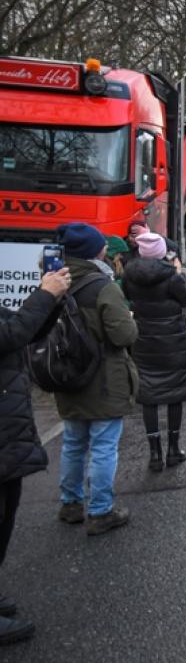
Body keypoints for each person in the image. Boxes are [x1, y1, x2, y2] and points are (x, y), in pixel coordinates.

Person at [52, 223, 138, 537]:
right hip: (104, 378)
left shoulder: (52, 282)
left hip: (67, 376)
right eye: (101, 244)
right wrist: (130, 321)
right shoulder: (102, 286)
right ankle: (101, 511)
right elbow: (123, 334)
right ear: (93, 251)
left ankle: (70, 504)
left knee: (73, 443)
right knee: (103, 446)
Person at [0, 266, 69, 644]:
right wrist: (44, 295)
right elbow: (11, 333)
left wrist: (53, 300)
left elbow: (23, 330)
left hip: (7, 430)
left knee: (6, 516)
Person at [122, 232, 186, 472]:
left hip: (144, 341)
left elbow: (128, 300)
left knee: (149, 397)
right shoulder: (171, 276)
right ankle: (174, 449)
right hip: (173, 342)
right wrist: (180, 273)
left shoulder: (129, 276)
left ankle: (155, 453)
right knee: (175, 394)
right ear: (162, 251)